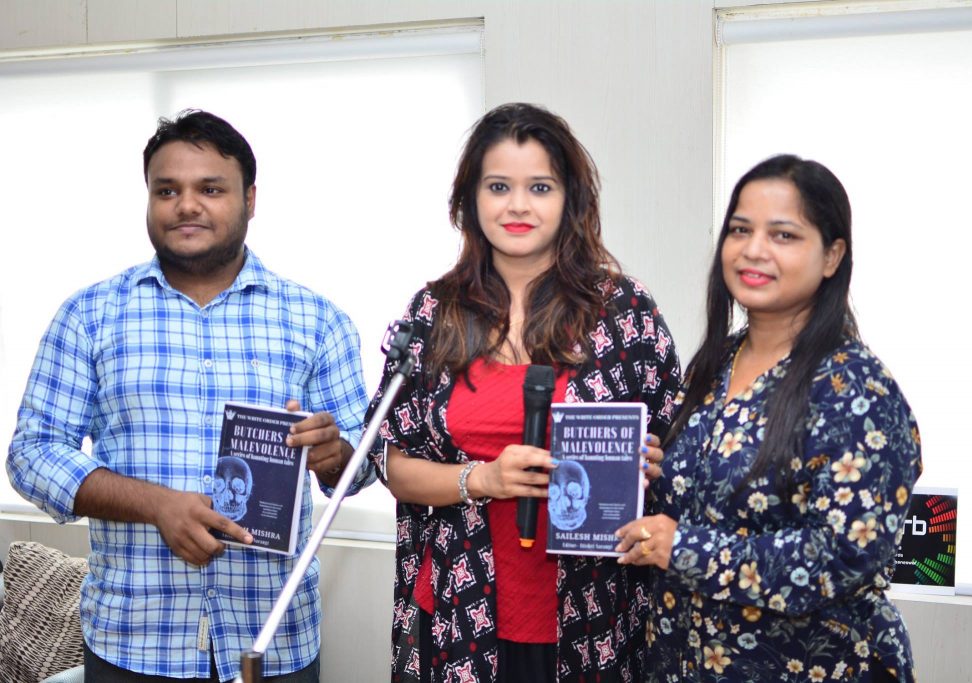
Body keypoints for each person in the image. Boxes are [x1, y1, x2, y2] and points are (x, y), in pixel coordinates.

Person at [7, 110, 374, 682]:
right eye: (167, 190)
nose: (187, 205)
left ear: (250, 200)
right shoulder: (90, 316)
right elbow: (32, 455)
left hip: (272, 642)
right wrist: (157, 505)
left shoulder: (317, 321)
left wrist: (336, 456)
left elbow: (362, 463)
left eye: (210, 188)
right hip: (133, 642)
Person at [366, 103, 683, 682]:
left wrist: (657, 463)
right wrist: (481, 479)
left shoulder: (624, 311)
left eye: (540, 186)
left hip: (596, 616)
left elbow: (683, 447)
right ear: (470, 200)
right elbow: (389, 459)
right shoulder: (433, 314)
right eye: (498, 186)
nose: (517, 205)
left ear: (570, 200)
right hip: (461, 618)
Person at [616, 154, 922, 682]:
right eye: (740, 230)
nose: (754, 250)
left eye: (783, 235)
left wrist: (684, 547)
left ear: (832, 256)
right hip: (683, 663)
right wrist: (643, 474)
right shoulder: (715, 364)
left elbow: (844, 556)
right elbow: (705, 505)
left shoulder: (855, 389)